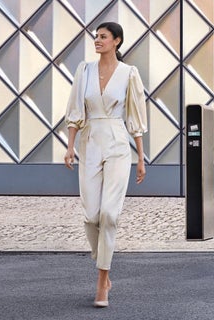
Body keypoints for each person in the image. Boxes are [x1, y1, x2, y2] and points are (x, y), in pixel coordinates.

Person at [63, 21, 148, 308]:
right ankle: (102, 259)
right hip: (89, 142)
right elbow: (76, 110)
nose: (97, 40)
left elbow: (135, 118)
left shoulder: (129, 74)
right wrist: (70, 146)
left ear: (117, 41)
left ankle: (102, 281)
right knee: (91, 216)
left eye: (103, 37)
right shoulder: (84, 71)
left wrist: (140, 157)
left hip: (117, 144)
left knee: (110, 214)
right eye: (96, 37)